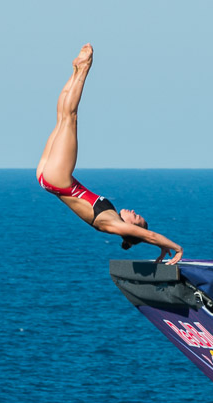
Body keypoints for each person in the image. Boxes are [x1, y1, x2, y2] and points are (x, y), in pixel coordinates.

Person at [36, 43, 184, 265]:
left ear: (132, 227)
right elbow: (149, 237)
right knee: (62, 117)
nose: (134, 212)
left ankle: (83, 69)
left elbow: (149, 235)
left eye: (137, 218)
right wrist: (162, 247)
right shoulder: (112, 217)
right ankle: (77, 71)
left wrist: (176, 248)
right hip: (49, 178)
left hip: (58, 179)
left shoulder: (113, 225)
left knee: (70, 117)